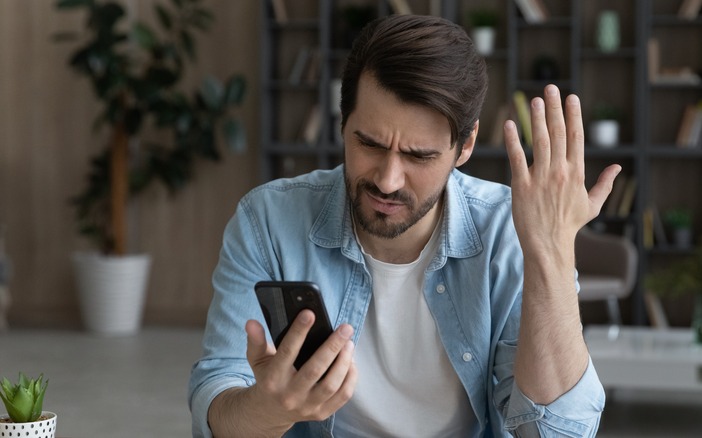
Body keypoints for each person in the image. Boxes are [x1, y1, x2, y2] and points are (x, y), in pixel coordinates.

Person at [189, 14, 618, 437]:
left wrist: (552, 251)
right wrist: (265, 412)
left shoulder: (508, 232)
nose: (388, 180)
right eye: (369, 143)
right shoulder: (267, 219)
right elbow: (217, 400)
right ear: (343, 124)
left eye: (419, 156)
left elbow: (557, 434)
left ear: (465, 146)